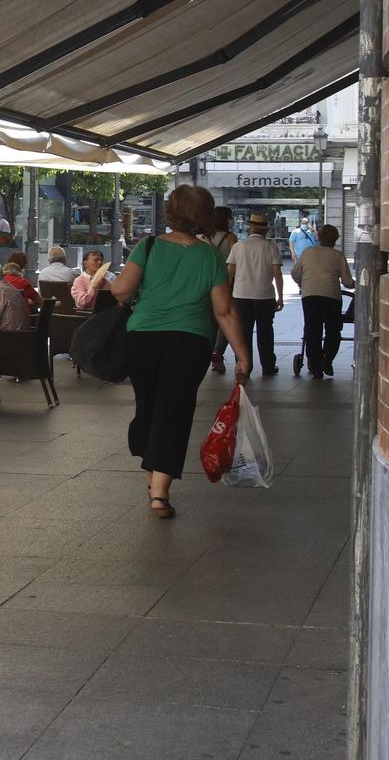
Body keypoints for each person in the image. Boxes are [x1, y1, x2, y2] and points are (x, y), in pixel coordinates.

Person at [111, 184, 249, 519]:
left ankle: (153, 480)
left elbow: (121, 290)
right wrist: (243, 356)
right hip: (188, 343)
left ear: (172, 211)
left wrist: (131, 288)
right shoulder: (210, 257)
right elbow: (224, 311)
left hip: (142, 339)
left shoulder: (149, 246)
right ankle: (159, 493)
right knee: (173, 412)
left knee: (148, 407)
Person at [292, 224, 354, 378]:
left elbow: (294, 273)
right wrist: (356, 284)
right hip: (331, 295)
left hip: (310, 294)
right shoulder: (338, 255)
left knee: (313, 329)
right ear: (336, 239)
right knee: (333, 329)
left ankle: (315, 364)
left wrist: (302, 282)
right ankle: (327, 359)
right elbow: (347, 282)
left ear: (318, 236)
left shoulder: (308, 252)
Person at [228, 212, 284, 377]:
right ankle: (268, 366)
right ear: (265, 231)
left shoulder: (238, 246)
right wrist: (280, 296)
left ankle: (245, 367)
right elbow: (277, 274)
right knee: (265, 332)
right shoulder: (271, 247)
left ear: (250, 229)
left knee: (243, 333)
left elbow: (229, 272)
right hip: (264, 296)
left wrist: (227, 294)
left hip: (241, 295)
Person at [202, 207, 240, 374]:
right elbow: (236, 260)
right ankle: (218, 351)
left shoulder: (203, 238)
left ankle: (208, 354)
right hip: (226, 282)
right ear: (226, 220)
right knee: (226, 317)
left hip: (207, 283)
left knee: (211, 320)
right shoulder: (230, 237)